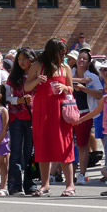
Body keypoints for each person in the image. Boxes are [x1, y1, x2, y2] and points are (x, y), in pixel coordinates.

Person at [26, 38, 75, 197]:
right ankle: (45, 184)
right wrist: (36, 81)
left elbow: (71, 90)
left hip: (60, 112)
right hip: (42, 111)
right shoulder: (37, 66)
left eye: (64, 54)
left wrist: (64, 87)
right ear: (52, 52)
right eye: (60, 54)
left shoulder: (65, 68)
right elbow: (26, 87)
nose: (63, 57)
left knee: (64, 145)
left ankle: (70, 185)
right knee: (42, 146)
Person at [6, 47, 36, 195]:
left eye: (25, 59)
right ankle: (14, 185)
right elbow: (5, 97)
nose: (22, 62)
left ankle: (30, 184)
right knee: (16, 152)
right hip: (16, 118)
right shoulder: (12, 78)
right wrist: (18, 100)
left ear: (32, 59)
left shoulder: (37, 76)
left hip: (33, 118)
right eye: (19, 59)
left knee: (30, 153)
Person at [71, 49, 103, 184]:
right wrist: (79, 80)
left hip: (85, 112)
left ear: (89, 63)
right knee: (67, 143)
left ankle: (82, 174)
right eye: (79, 58)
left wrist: (83, 88)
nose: (81, 60)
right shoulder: (69, 73)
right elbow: (61, 80)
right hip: (68, 112)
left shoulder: (93, 77)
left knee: (82, 144)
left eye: (84, 59)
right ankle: (68, 173)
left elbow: (99, 94)